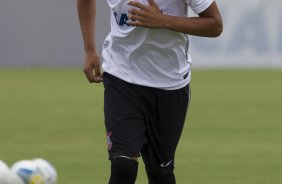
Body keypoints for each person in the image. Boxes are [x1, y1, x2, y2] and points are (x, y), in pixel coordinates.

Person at [77, 0, 223, 183]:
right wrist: (89, 50)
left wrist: (162, 20)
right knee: (122, 167)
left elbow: (215, 24)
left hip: (170, 85)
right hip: (121, 77)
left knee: (160, 173)